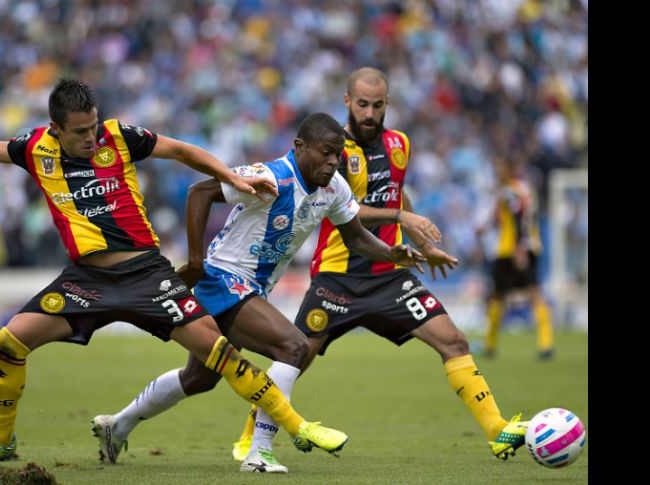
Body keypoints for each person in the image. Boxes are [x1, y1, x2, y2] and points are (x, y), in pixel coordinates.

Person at [0, 78, 349, 472]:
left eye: (94, 127)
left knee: (217, 353)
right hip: (88, 279)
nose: (91, 138)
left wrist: (232, 176)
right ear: (56, 130)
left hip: (146, 273)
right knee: (10, 341)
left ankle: (297, 427)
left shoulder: (118, 136)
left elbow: (181, 151)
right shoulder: (34, 148)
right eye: (80, 132)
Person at [90, 112, 430, 473]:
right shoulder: (272, 176)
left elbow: (356, 237)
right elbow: (200, 191)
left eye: (338, 155)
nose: (333, 162)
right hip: (222, 278)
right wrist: (193, 260)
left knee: (200, 378)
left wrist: (391, 253)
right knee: (293, 346)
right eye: (326, 152)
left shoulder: (334, 189)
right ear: (299, 147)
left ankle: (118, 426)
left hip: (251, 288)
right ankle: (259, 452)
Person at [226, 67, 530, 469]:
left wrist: (422, 243)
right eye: (363, 104)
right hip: (337, 277)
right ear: (348, 102)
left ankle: (496, 430)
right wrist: (402, 219)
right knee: (293, 359)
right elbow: (347, 212)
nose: (370, 114)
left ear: (388, 104)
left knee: (453, 341)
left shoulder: (400, 144)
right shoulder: (332, 152)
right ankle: (250, 438)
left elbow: (394, 199)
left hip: (388, 276)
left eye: (379, 105)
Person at [476, 156, 554, 360]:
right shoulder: (520, 190)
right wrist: (485, 227)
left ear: (509, 170)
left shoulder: (511, 191)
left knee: (504, 295)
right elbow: (508, 216)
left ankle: (490, 344)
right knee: (522, 294)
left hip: (512, 249)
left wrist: (519, 248)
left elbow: (519, 220)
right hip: (527, 246)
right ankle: (545, 344)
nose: (496, 173)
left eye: (499, 168)